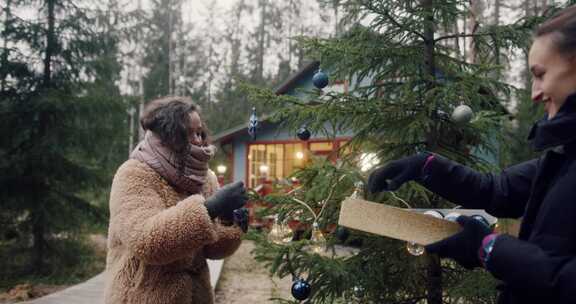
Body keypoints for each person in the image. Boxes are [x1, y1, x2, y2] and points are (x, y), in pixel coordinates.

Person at [367, 6, 576, 304]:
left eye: (540, 75)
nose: (534, 92)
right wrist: (425, 166)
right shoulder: (563, 159)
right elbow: (498, 190)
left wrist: (490, 248)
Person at [104, 97, 248, 304]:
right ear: (166, 136)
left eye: (199, 132)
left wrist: (228, 222)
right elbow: (147, 241)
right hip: (140, 296)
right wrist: (211, 208)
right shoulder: (134, 174)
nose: (198, 140)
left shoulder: (205, 178)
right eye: (188, 133)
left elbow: (212, 250)